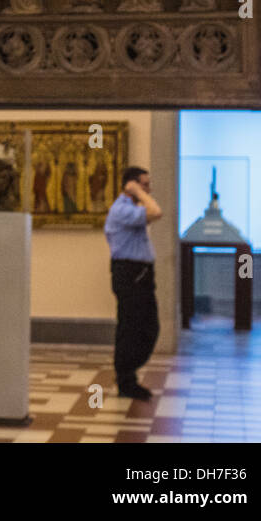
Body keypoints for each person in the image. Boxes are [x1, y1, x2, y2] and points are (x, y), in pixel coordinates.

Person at [104, 166, 163, 400]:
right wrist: (138, 193)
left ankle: (128, 373)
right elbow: (157, 212)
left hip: (141, 273)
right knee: (130, 329)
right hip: (130, 273)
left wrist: (139, 194)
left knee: (149, 328)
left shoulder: (131, 208)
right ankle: (126, 379)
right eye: (145, 184)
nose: (149, 189)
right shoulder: (121, 210)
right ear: (132, 185)